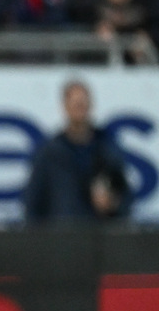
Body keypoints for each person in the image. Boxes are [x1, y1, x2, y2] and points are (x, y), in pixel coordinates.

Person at [23, 79, 131, 222]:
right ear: (65, 106)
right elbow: (33, 202)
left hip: (99, 238)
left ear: (91, 105)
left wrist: (112, 203)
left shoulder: (107, 149)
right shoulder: (49, 153)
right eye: (76, 104)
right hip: (61, 238)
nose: (80, 109)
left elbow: (126, 196)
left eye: (83, 104)